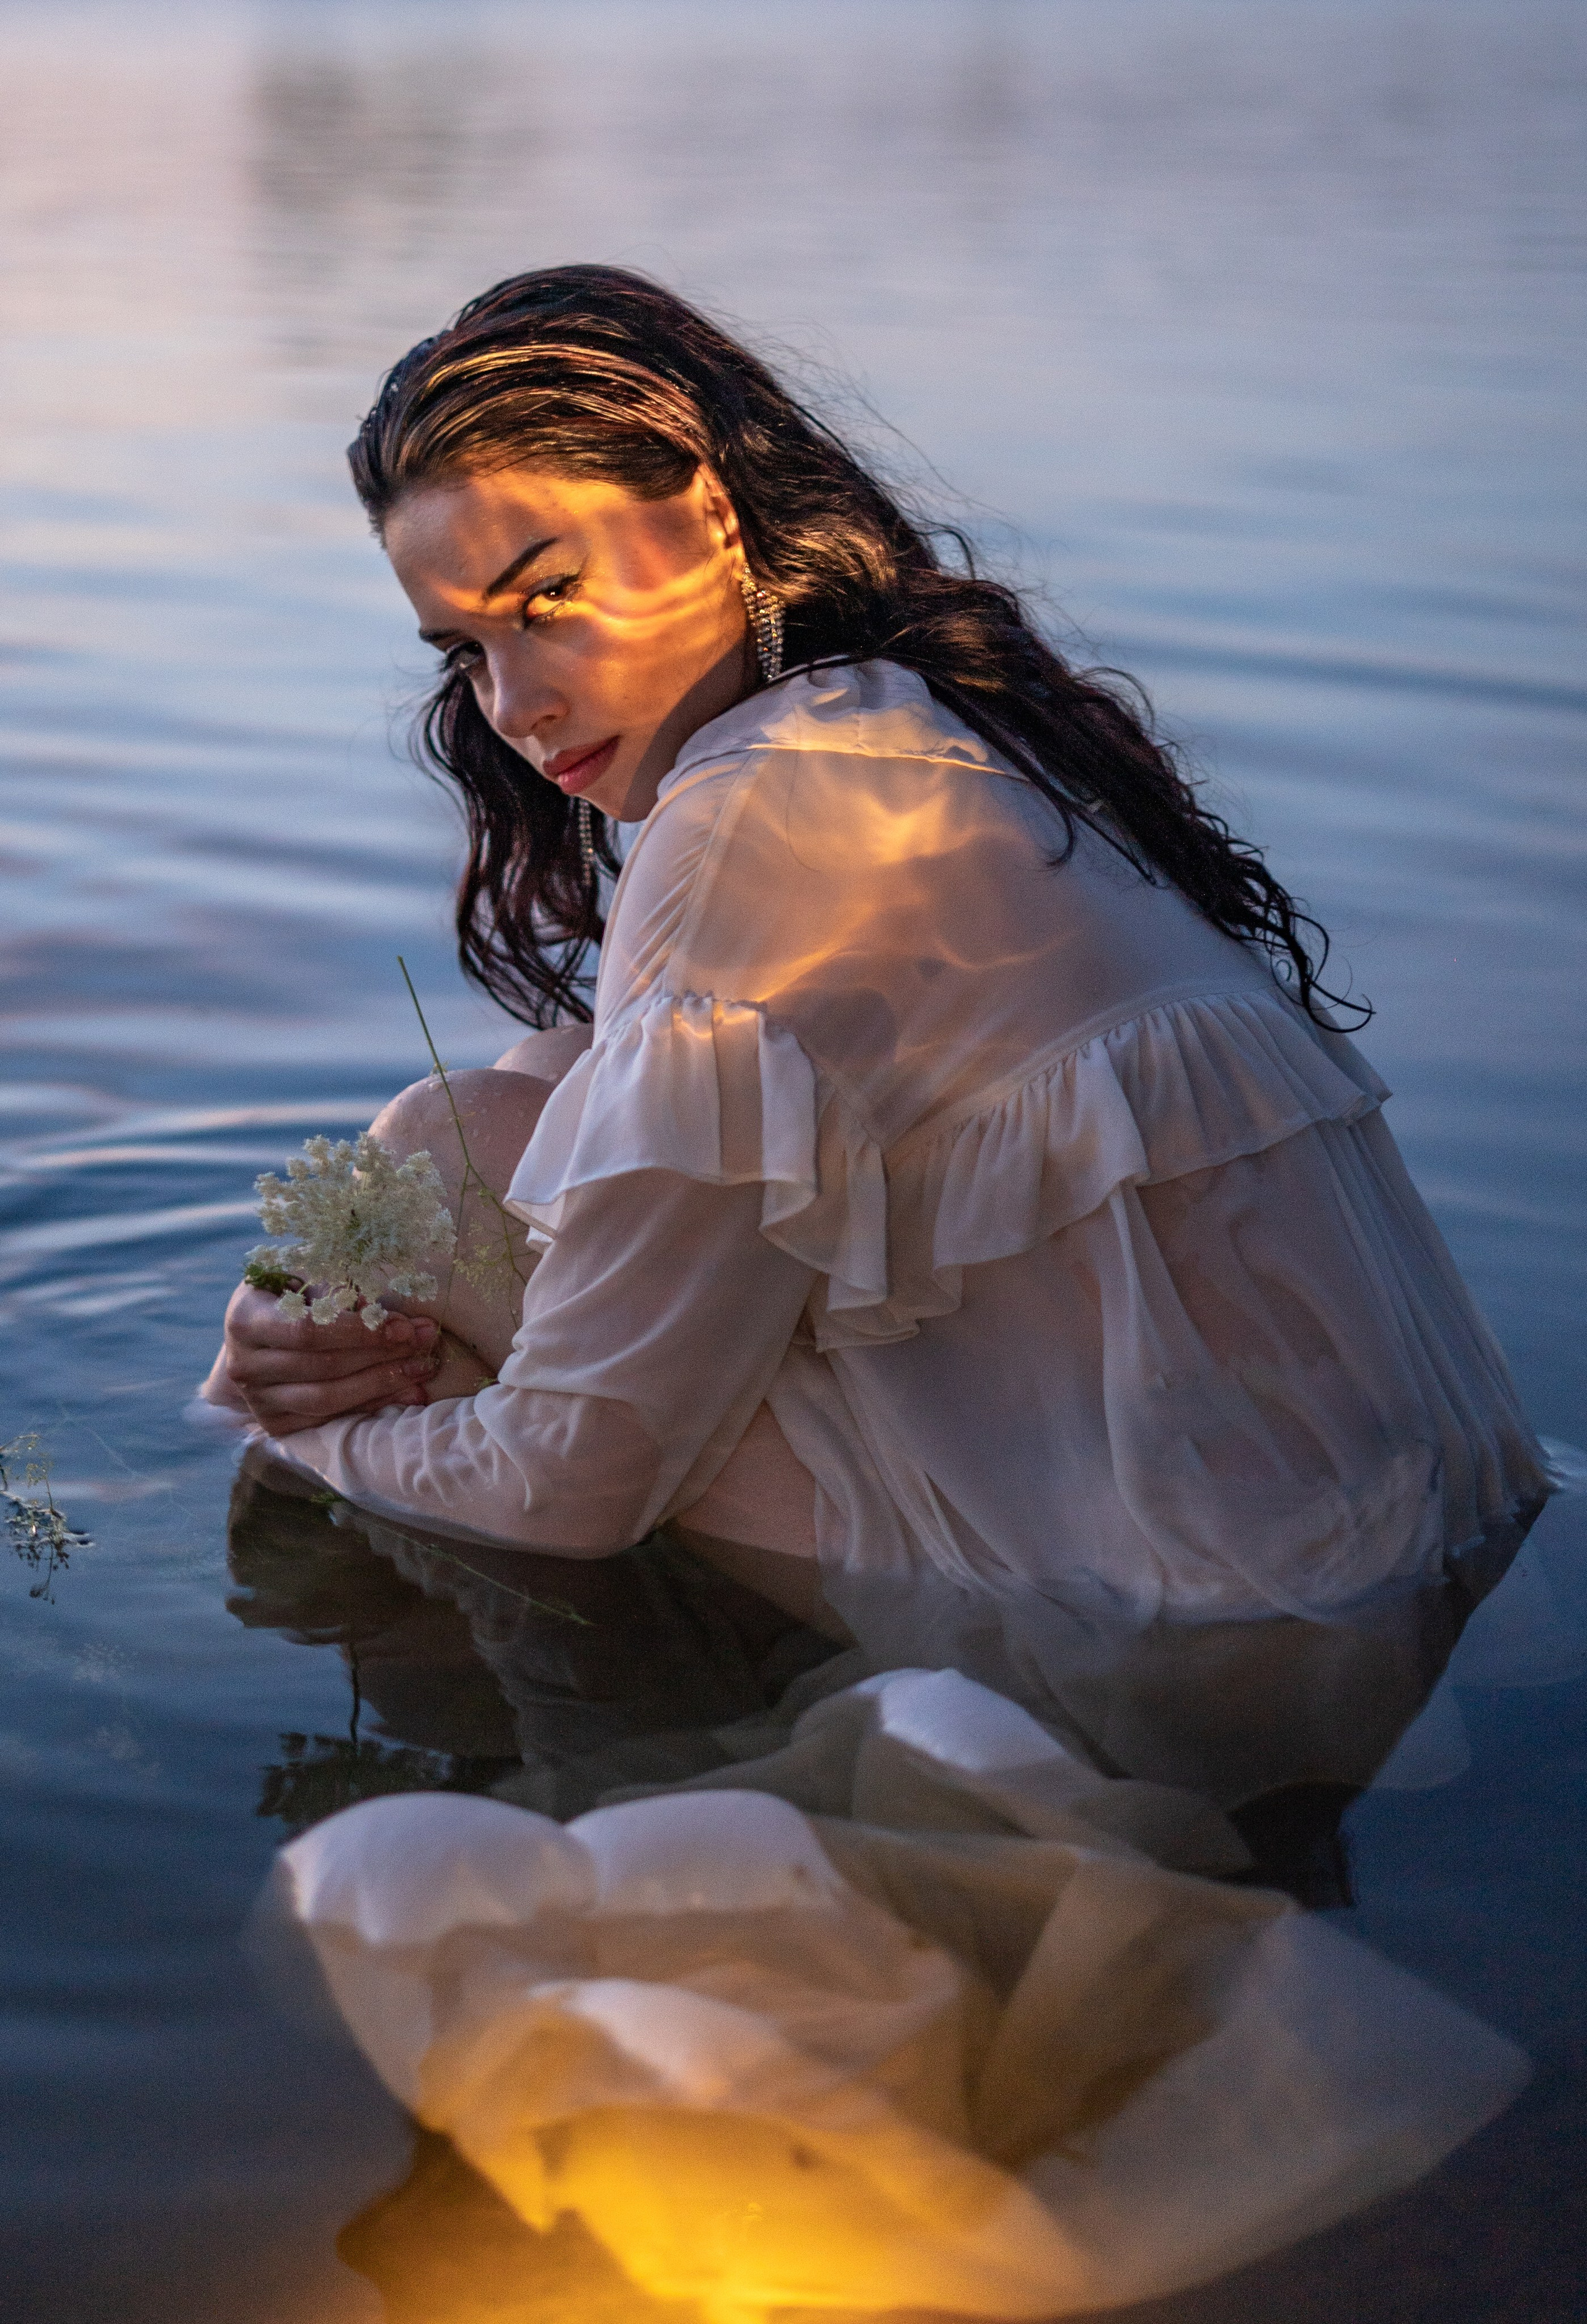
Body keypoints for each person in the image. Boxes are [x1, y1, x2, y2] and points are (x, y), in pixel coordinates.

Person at [204, 265, 1549, 1757]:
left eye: (548, 597)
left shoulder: (749, 818)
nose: (512, 707)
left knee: (454, 1153)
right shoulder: (935, 723)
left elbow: (572, 1487)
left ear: (708, 514)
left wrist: (306, 1425)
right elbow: (604, 1112)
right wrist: (311, 1291)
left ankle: (571, 1784)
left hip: (1165, 1650)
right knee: (533, 1088)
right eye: (469, 649)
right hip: (1413, 1575)